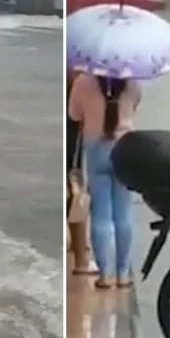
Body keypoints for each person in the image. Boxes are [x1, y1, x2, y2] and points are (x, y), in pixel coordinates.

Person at [68, 72, 142, 289]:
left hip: (95, 148)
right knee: (124, 213)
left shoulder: (83, 82)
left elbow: (74, 115)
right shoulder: (133, 82)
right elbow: (134, 106)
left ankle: (105, 275)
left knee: (100, 215)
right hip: (125, 149)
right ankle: (123, 274)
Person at [66, 69, 95, 277]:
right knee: (75, 192)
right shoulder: (76, 74)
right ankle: (81, 262)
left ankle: (75, 244)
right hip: (72, 132)